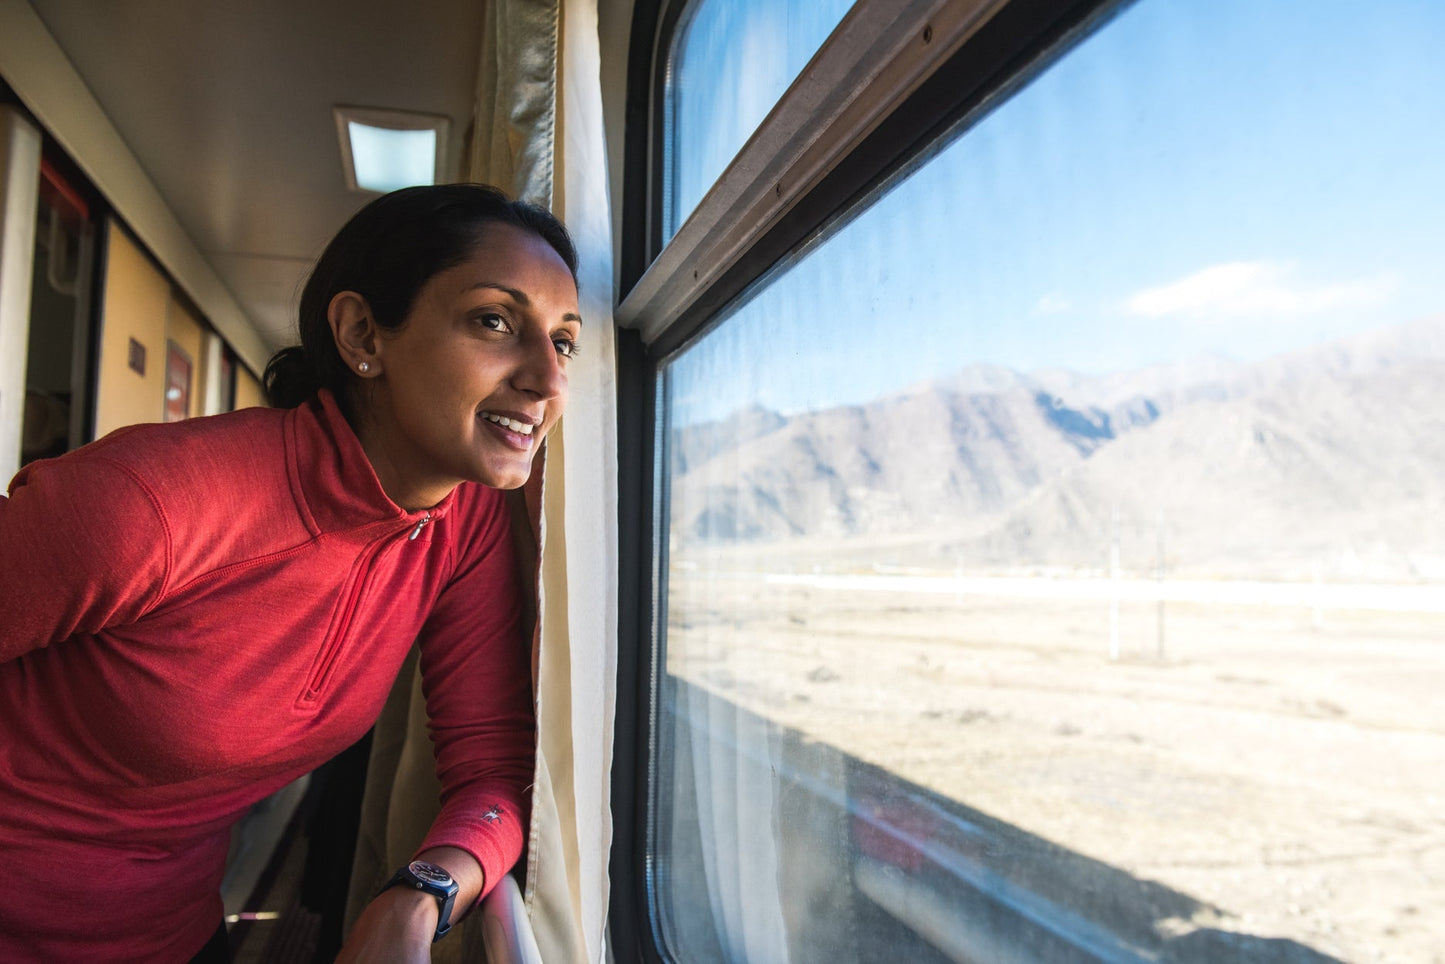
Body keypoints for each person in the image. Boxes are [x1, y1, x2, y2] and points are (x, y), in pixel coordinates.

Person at [0, 183, 582, 963]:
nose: (546, 380)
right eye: (494, 321)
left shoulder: (462, 524)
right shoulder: (149, 504)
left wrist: (423, 894)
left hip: (173, 933)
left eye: (565, 342)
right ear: (361, 334)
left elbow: (492, 765)